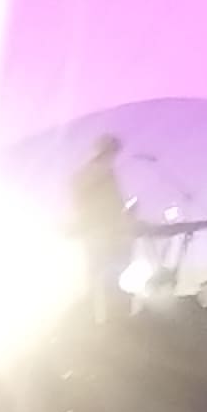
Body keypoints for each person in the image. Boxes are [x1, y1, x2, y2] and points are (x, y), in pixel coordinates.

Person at [69, 134, 137, 321]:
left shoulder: (86, 173)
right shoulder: (99, 173)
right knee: (107, 278)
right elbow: (108, 205)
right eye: (113, 152)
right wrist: (125, 214)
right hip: (103, 234)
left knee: (99, 279)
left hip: (97, 234)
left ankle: (99, 321)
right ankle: (111, 321)